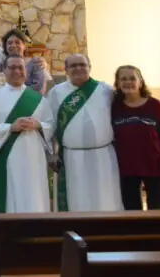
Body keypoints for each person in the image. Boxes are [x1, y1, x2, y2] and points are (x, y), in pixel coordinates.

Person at [0, 55, 54, 213]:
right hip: (7, 159)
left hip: (34, 160)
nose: (16, 71)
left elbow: (51, 124)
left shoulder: (39, 99)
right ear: (4, 71)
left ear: (26, 71)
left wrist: (38, 124)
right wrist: (10, 127)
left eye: (20, 67)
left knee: (34, 198)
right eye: (11, 67)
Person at [46, 54, 123, 212]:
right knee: (77, 200)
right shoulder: (56, 93)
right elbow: (50, 125)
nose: (78, 68)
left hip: (104, 156)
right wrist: (52, 153)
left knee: (106, 197)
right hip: (72, 157)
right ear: (66, 70)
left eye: (82, 64)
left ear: (90, 67)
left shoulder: (105, 90)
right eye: (73, 66)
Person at [111, 65, 160, 210]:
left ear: (140, 82)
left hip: (155, 168)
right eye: (123, 79)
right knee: (132, 213)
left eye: (132, 78)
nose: (128, 82)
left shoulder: (154, 106)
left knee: (157, 211)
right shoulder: (113, 107)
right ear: (117, 83)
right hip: (126, 170)